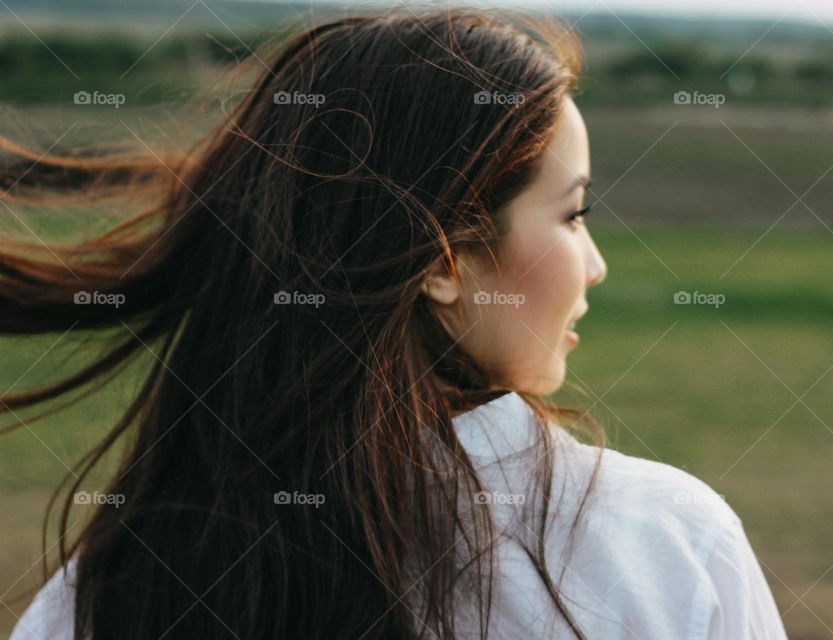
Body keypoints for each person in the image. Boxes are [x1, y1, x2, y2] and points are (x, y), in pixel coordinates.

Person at [4, 8, 789, 639]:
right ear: (444, 262)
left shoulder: (117, 586)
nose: (596, 265)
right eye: (574, 214)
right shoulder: (668, 548)